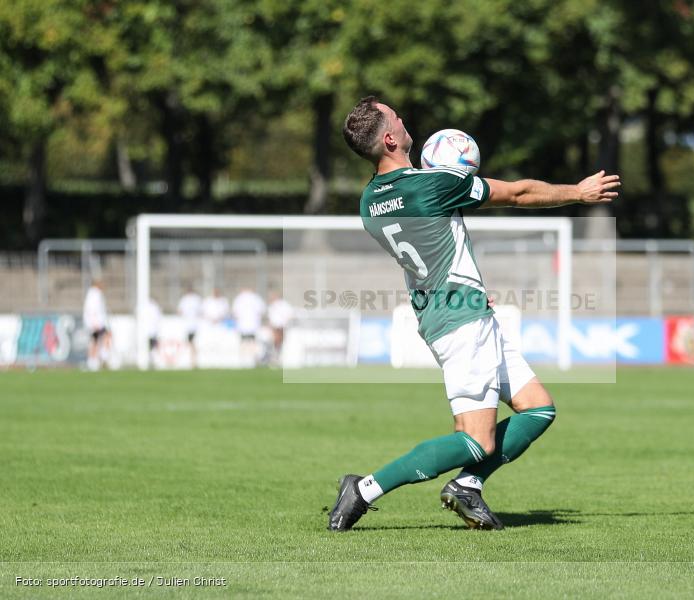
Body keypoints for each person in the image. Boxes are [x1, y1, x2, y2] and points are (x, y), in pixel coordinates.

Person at [328, 96, 621, 531]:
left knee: (537, 409)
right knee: (475, 439)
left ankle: (468, 487)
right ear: (390, 139)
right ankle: (366, 488)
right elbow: (518, 193)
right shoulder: (435, 185)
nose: (405, 119)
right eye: (397, 118)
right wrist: (578, 192)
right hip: (462, 321)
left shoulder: (369, 201)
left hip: (446, 313)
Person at [232, 286, 266, 367]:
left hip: (245, 325)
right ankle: (251, 360)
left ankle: (245, 360)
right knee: (251, 342)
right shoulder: (255, 298)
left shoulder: (240, 298)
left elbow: (235, 312)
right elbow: (262, 310)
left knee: (246, 342)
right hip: (251, 324)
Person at [83, 279, 111, 371]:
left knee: (96, 340)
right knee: (98, 340)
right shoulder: (94, 294)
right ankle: (98, 359)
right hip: (96, 323)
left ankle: (94, 361)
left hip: (96, 322)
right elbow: (92, 309)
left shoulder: (93, 294)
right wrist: (94, 323)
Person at [177, 286, 202, 367]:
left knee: (192, 342)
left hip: (192, 324)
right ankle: (193, 360)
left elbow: (180, 311)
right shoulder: (194, 299)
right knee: (191, 342)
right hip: (191, 324)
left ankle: (193, 360)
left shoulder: (187, 299)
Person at [267, 290, 294, 365]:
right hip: (275, 326)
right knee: (276, 342)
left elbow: (290, 314)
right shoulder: (272, 305)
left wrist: (285, 322)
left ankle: (277, 357)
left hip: (281, 326)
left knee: (279, 342)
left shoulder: (283, 304)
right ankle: (274, 357)